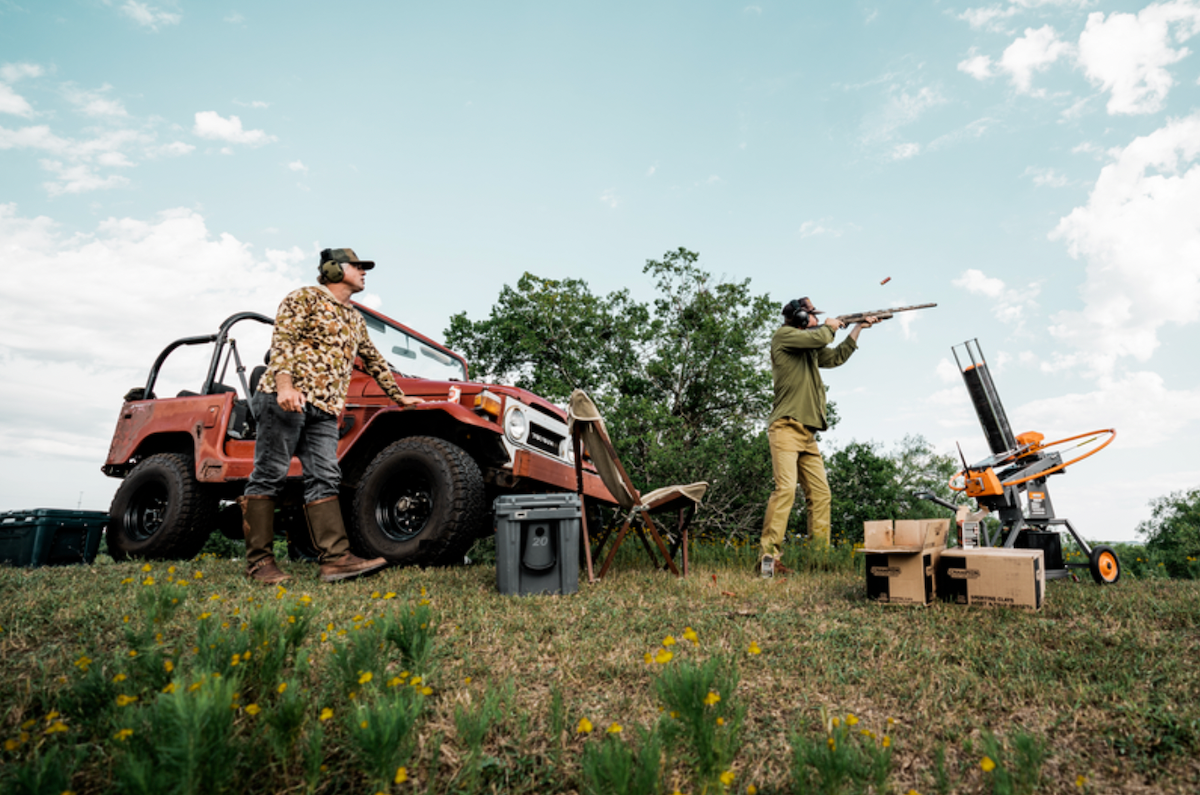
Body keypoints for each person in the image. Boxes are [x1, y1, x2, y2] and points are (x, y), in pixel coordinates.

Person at [239, 248, 424, 585]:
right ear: (333, 270)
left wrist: (399, 396)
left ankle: (335, 560)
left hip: (325, 410)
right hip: (286, 398)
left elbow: (373, 359)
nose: (364, 272)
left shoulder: (354, 317)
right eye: (358, 266)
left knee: (326, 477)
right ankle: (259, 562)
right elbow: (283, 341)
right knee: (270, 474)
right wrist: (284, 385)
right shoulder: (304, 298)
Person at [759, 297, 876, 578]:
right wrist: (830, 326)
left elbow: (835, 357)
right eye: (812, 315)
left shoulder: (810, 347)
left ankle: (818, 560)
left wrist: (857, 328)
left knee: (821, 495)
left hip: (808, 435)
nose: (816, 319)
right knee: (785, 491)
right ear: (799, 317)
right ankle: (768, 560)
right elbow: (822, 336)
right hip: (786, 429)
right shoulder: (784, 336)